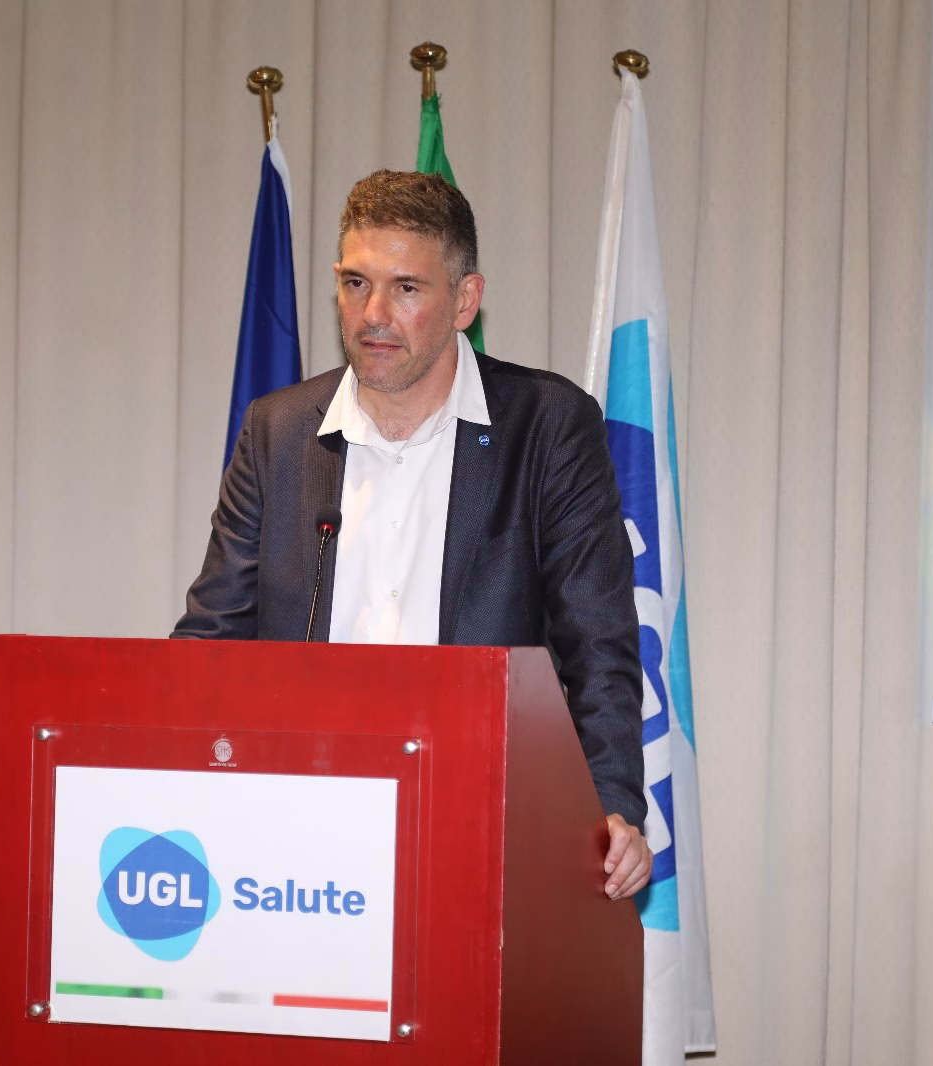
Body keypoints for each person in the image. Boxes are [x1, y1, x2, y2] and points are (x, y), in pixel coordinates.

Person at [174, 170, 652, 900]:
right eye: (355, 284)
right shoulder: (280, 431)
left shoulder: (546, 426)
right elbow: (213, 638)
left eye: (405, 289)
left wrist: (610, 806)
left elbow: (598, 643)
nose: (373, 315)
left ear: (464, 300)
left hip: (482, 829)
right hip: (294, 846)